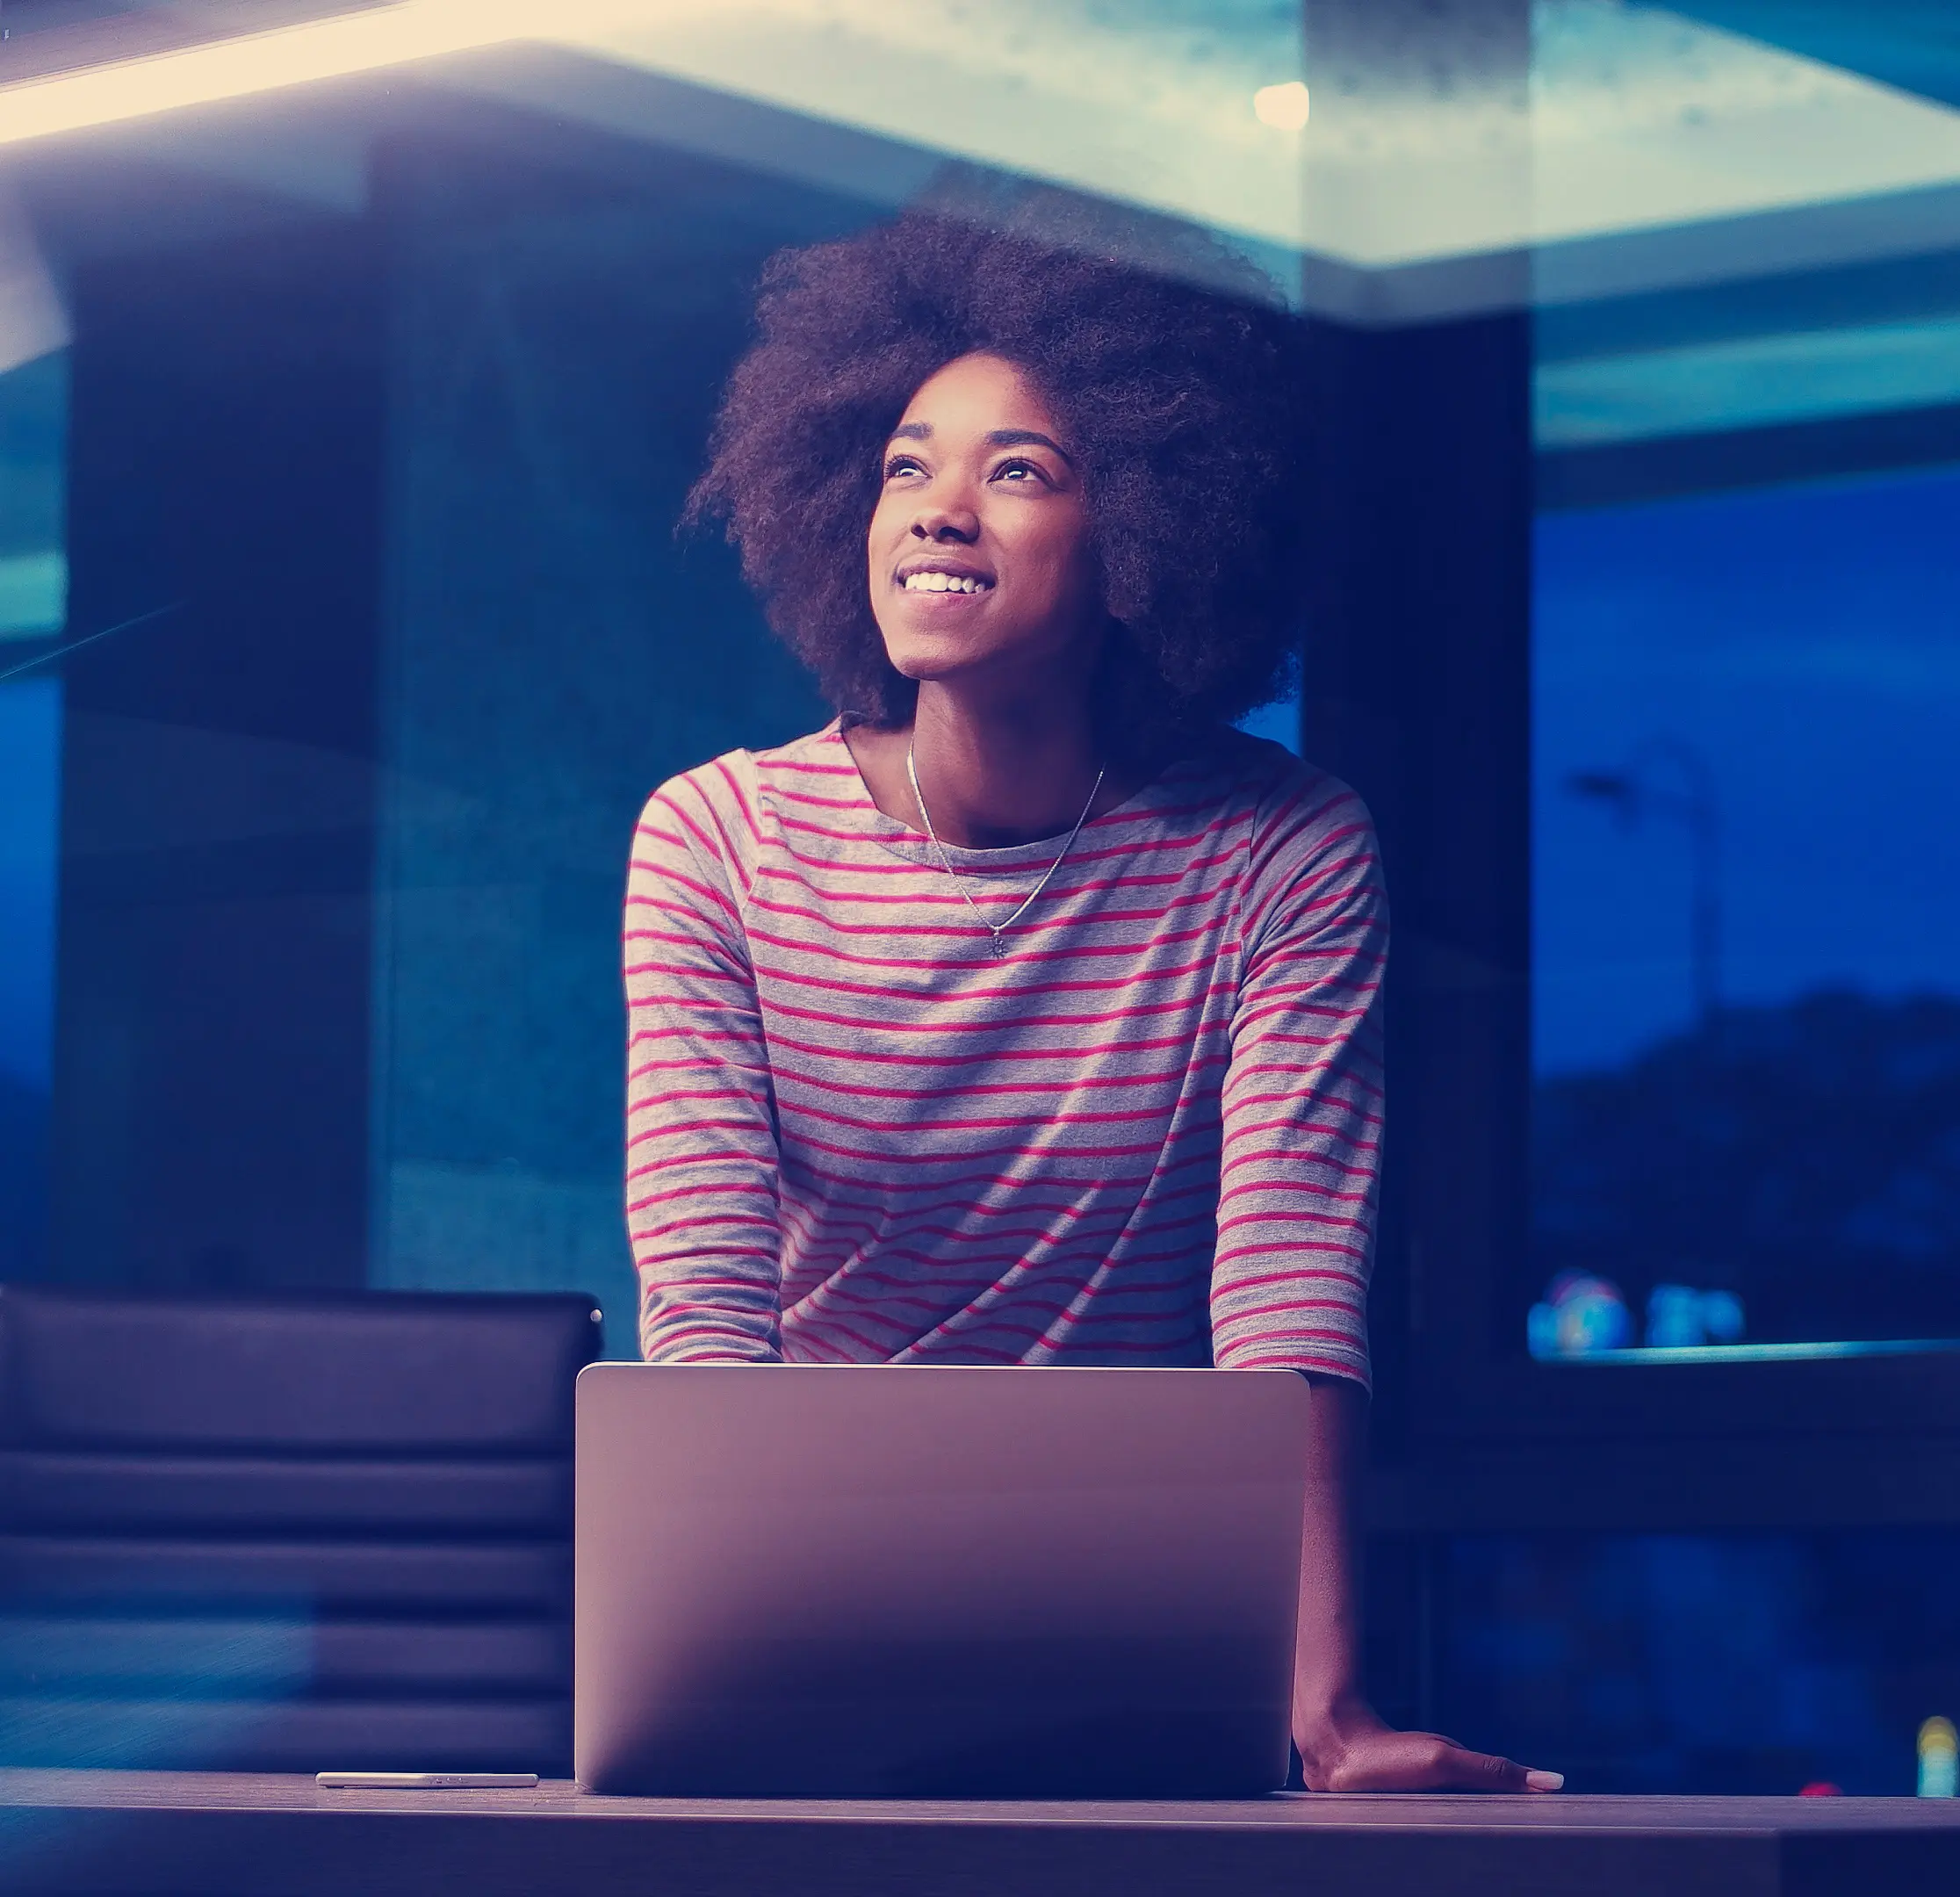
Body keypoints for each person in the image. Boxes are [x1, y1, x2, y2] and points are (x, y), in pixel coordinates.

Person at [623, 199, 1560, 1796]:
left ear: (1145, 527)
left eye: (1021, 470)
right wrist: (711, 1664)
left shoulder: (1280, 849)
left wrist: (1322, 1709)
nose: (940, 510)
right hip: (807, 1613)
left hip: (1158, 1629)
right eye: (908, 463)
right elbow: (706, 1318)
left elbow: (1287, 1299)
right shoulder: (720, 840)